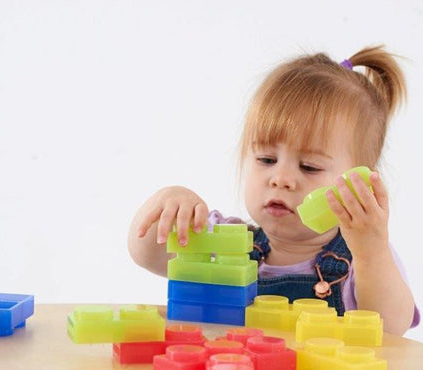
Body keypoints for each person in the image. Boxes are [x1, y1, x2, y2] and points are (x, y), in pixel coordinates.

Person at [128, 45, 419, 336]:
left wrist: (371, 253)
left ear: (359, 182)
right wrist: (169, 202)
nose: (281, 179)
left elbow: (391, 328)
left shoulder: (364, 260)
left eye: (309, 167)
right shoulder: (225, 244)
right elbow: (146, 253)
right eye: (266, 160)